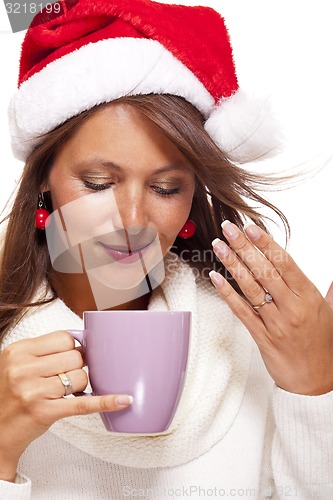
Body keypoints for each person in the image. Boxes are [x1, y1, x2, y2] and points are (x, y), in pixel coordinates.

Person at [0, 0, 332, 498]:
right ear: (44, 181)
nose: (133, 221)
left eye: (165, 189)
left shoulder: (255, 343)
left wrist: (313, 389)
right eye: (97, 183)